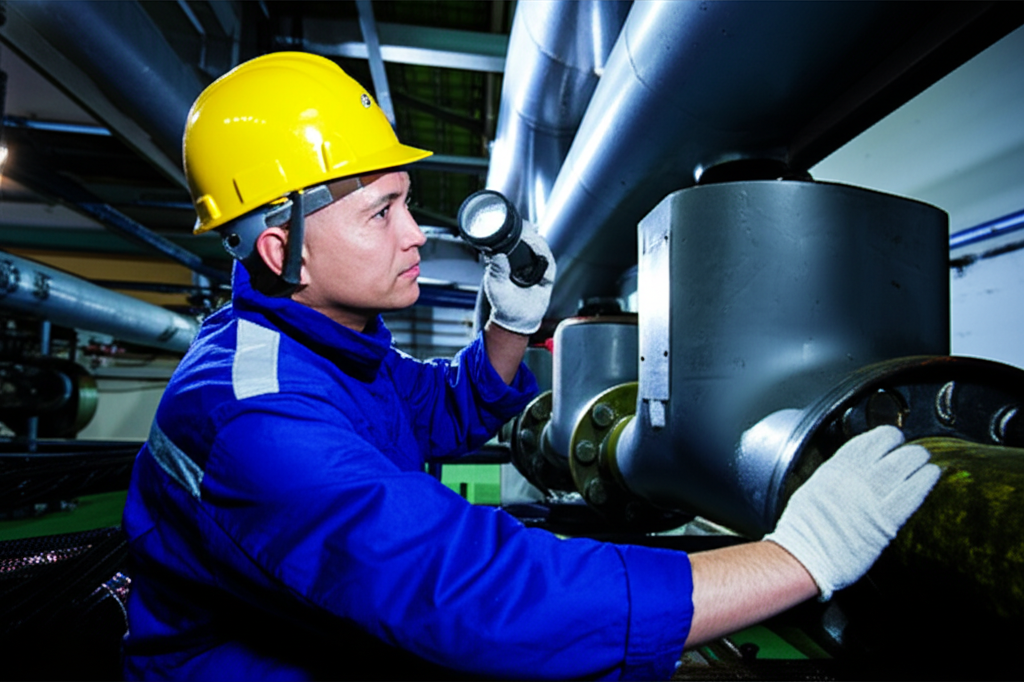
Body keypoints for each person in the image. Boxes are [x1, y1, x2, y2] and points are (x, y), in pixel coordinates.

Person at [121, 52, 940, 681]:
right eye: (382, 212)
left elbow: (436, 409)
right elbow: (481, 597)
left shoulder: (322, 347)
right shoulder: (257, 416)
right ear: (282, 248)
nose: (415, 233)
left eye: (407, 201)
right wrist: (801, 556)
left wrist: (510, 325)